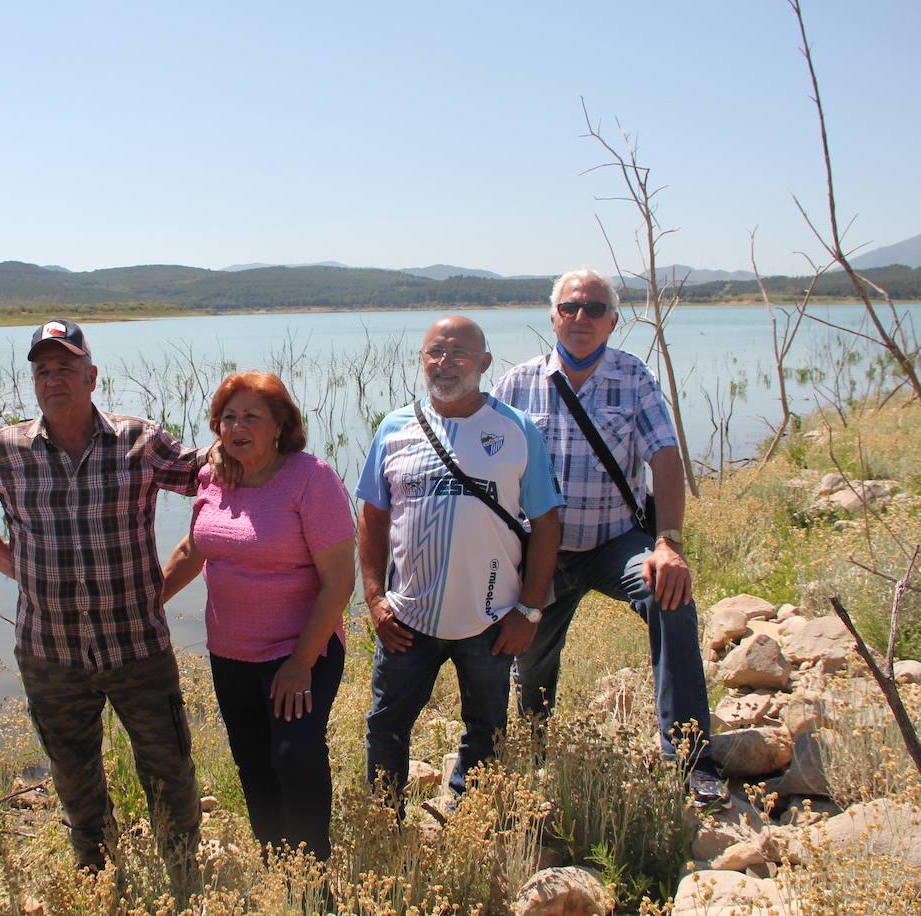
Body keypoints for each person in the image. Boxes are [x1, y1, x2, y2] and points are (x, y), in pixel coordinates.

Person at [0, 318, 204, 896]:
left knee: (169, 770)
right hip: (49, 652)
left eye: (66, 367)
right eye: (43, 370)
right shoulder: (5, 449)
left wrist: (251, 430)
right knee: (74, 774)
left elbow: (203, 478)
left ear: (92, 376)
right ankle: (100, 877)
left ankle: (185, 879)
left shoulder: (140, 439)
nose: (54, 378)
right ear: (34, 382)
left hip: (137, 646)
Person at [492, 268, 728, 808]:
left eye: (594, 309)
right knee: (531, 665)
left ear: (613, 321)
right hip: (543, 552)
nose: (581, 318)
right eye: (571, 308)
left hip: (614, 543)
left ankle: (690, 755)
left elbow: (665, 457)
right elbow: (492, 470)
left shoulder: (634, 377)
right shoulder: (518, 383)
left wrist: (668, 543)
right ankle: (532, 754)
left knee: (670, 596)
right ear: (552, 317)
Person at [358, 316, 563, 812]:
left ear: (485, 363)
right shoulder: (394, 427)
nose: (445, 363)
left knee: (487, 728)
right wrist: (374, 598)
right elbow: (372, 518)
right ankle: (386, 821)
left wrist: (530, 610)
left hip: (490, 621)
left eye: (459, 353)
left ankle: (466, 815)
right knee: (386, 726)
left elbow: (547, 524)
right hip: (408, 620)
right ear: (422, 359)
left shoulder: (516, 429)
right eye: (435, 352)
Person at [162, 371, 355, 861]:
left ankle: (313, 873)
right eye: (228, 417)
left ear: (279, 425)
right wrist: (145, 603)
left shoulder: (312, 478)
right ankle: (275, 862)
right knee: (252, 762)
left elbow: (339, 582)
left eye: (251, 416)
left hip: (299, 651)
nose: (236, 426)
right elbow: (193, 548)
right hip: (231, 653)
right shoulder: (214, 477)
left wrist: (300, 663)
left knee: (295, 758)